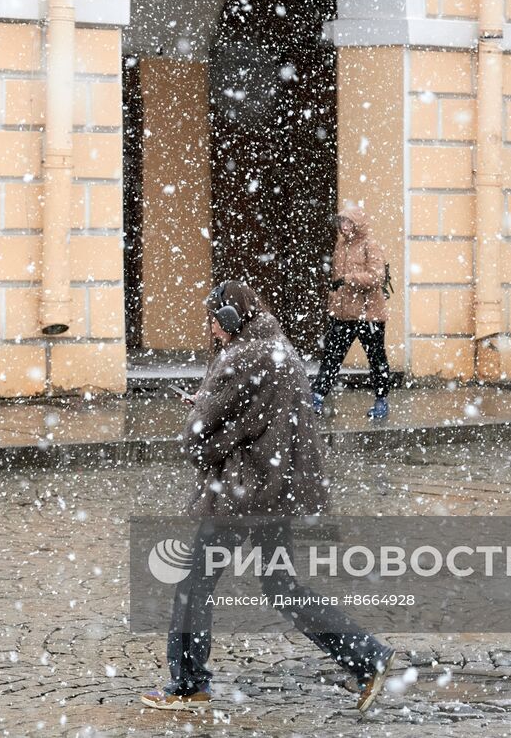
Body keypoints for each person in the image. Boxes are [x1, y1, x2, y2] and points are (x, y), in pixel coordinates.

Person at [141, 280, 394, 714]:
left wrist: (205, 419)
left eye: (216, 322)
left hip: (241, 493)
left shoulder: (239, 358)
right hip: (276, 491)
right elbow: (263, 419)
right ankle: (366, 656)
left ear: (229, 319)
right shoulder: (280, 348)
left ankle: (187, 684)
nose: (214, 331)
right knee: (281, 584)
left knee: (193, 586)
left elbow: (200, 439)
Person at [312, 202, 392, 420]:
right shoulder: (341, 246)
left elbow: (377, 277)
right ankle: (317, 397)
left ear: (357, 223)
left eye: (348, 222)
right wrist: (334, 301)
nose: (343, 226)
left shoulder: (369, 245)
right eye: (341, 221)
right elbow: (337, 279)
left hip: (369, 315)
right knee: (331, 356)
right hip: (344, 314)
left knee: (376, 359)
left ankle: (381, 400)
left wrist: (350, 279)